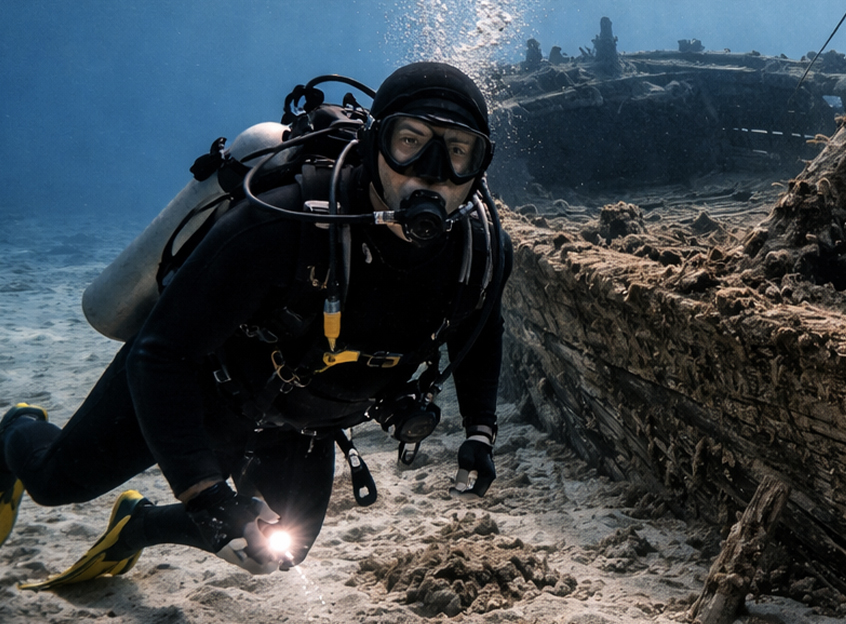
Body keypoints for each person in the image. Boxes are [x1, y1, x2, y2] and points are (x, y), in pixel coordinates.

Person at [0, 61, 512, 588]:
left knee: (278, 551)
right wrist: (204, 494)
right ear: (374, 143)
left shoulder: (482, 253)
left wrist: (480, 429)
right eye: (410, 141)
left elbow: (483, 328)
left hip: (300, 424)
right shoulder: (280, 224)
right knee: (54, 482)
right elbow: (159, 353)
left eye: (456, 151)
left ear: (480, 165)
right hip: (204, 388)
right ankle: (14, 429)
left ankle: (140, 525)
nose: (430, 173)